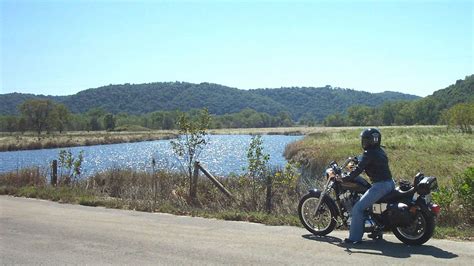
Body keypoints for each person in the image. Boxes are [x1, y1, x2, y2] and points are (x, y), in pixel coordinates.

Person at [342, 128, 395, 244]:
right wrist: (357, 159)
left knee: (358, 208)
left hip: (380, 185)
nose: (363, 142)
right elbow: (364, 159)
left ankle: (354, 238)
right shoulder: (379, 150)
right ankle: (377, 231)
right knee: (373, 206)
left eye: (364, 140)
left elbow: (358, 170)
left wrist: (345, 178)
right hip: (390, 183)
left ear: (368, 141)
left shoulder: (369, 153)